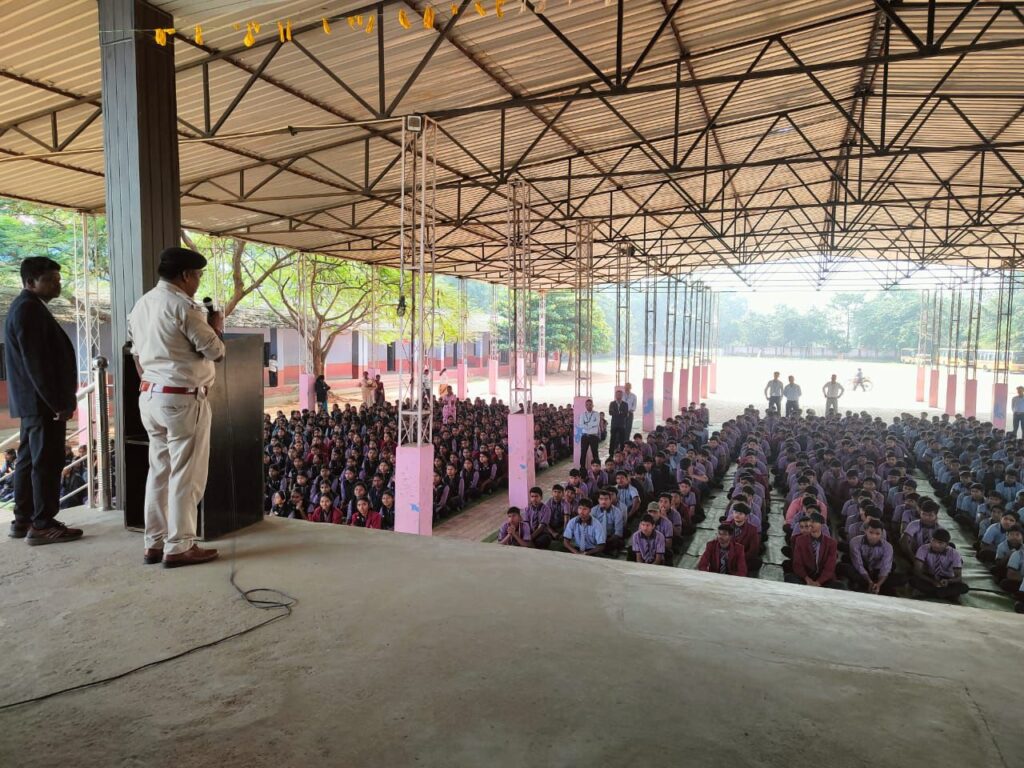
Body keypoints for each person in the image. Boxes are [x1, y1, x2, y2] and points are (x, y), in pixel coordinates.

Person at [128, 246, 225, 568]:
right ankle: (180, 545)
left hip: (150, 396)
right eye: (197, 276)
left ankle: (154, 543)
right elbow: (215, 352)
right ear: (185, 275)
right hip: (182, 399)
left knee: (160, 472)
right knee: (187, 474)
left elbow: (137, 356)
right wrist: (216, 325)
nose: (198, 282)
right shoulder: (184, 307)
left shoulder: (141, 305)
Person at [4, 257, 82, 544]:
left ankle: (23, 519)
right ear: (30, 282)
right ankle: (42, 523)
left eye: (58, 280)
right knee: (46, 462)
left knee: (28, 460)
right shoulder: (29, 309)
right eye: (50, 280)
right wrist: (57, 403)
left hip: (33, 403)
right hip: (42, 403)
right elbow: (36, 363)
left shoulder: (27, 307)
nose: (57, 285)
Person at [784, 513, 845, 589]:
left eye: (814, 522)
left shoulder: (831, 543)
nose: (810, 524)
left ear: (821, 525)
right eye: (810, 522)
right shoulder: (800, 540)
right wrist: (807, 579)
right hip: (805, 578)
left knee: (840, 586)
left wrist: (819, 582)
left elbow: (829, 567)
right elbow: (797, 564)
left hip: (823, 580)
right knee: (789, 577)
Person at [912, 528, 969, 602]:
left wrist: (948, 581)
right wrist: (932, 581)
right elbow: (917, 571)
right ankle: (943, 594)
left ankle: (931, 594)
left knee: (964, 587)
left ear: (947, 545)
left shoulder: (954, 554)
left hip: (946, 579)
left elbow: (958, 577)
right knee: (913, 580)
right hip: (929, 577)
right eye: (933, 541)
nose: (936, 545)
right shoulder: (923, 549)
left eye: (940, 543)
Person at [576, 398, 600, 470]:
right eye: (587, 405)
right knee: (583, 452)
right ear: (585, 406)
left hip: (593, 435)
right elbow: (581, 425)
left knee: (595, 452)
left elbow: (596, 423)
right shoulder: (582, 414)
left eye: (590, 405)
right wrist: (591, 425)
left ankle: (597, 467)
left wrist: (586, 424)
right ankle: (582, 467)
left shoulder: (596, 414)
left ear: (592, 405)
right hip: (585, 436)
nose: (589, 406)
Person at [608, 389, 629, 457]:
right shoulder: (612, 403)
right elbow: (610, 412)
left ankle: (622, 454)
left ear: (622, 396)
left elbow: (626, 414)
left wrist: (616, 412)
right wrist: (620, 412)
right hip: (614, 424)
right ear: (615, 395)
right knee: (612, 440)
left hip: (622, 425)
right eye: (617, 394)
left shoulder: (625, 404)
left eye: (620, 395)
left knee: (622, 440)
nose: (618, 396)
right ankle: (611, 454)